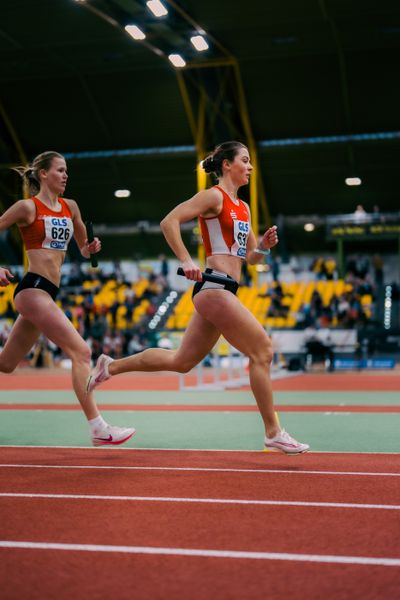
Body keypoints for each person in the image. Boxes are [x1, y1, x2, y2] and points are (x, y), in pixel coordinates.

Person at [87, 141, 309, 454]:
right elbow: (169, 222)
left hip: (226, 289)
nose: (250, 167)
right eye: (244, 161)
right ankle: (273, 431)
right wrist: (186, 260)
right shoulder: (212, 196)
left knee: (181, 361)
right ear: (227, 165)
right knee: (262, 351)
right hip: (213, 286)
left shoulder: (243, 208)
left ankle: (110, 366)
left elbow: (252, 259)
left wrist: (265, 247)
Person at [0, 150, 134, 446]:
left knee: (6, 364)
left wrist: (90, 249)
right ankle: (98, 428)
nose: (65, 175)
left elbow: (84, 247)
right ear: (43, 174)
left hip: (48, 292)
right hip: (32, 288)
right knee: (82, 353)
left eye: (67, 171)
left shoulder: (70, 207)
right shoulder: (27, 207)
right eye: (60, 170)